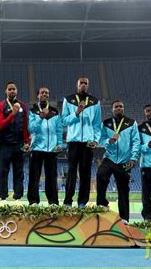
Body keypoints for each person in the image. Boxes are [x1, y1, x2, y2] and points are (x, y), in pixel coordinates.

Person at [96, 100, 140, 224]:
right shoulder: (106, 123)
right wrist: (109, 141)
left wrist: (133, 158)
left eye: (121, 106)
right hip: (109, 158)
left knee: (123, 189)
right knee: (100, 175)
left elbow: (136, 141)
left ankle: (124, 218)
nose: (119, 108)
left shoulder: (131, 123)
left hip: (125, 161)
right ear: (112, 109)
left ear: (123, 108)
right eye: (116, 107)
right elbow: (100, 139)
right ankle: (102, 204)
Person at [62, 76, 101, 208]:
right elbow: (64, 120)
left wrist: (95, 140)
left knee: (86, 172)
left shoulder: (95, 102)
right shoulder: (68, 100)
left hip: (88, 143)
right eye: (81, 83)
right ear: (77, 85)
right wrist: (76, 113)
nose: (83, 85)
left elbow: (97, 124)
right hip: (73, 141)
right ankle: (68, 201)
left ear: (88, 85)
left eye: (86, 83)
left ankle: (82, 202)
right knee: (72, 172)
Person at [0, 82, 30, 203]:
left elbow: (25, 126)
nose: (12, 91)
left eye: (13, 89)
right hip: (5, 144)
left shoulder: (23, 106)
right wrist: (12, 114)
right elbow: (1, 125)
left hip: (19, 144)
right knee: (3, 171)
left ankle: (17, 197)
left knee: (19, 171)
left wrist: (27, 141)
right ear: (6, 91)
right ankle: (3, 197)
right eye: (9, 89)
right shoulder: (1, 106)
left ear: (16, 91)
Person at [28, 87, 63, 205]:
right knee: (34, 177)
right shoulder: (33, 111)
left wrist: (60, 144)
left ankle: (53, 202)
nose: (44, 94)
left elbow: (59, 130)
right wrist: (40, 118)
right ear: (38, 95)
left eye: (46, 93)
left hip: (51, 149)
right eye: (42, 93)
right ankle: (33, 202)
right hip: (37, 148)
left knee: (52, 177)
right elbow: (31, 128)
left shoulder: (55, 111)